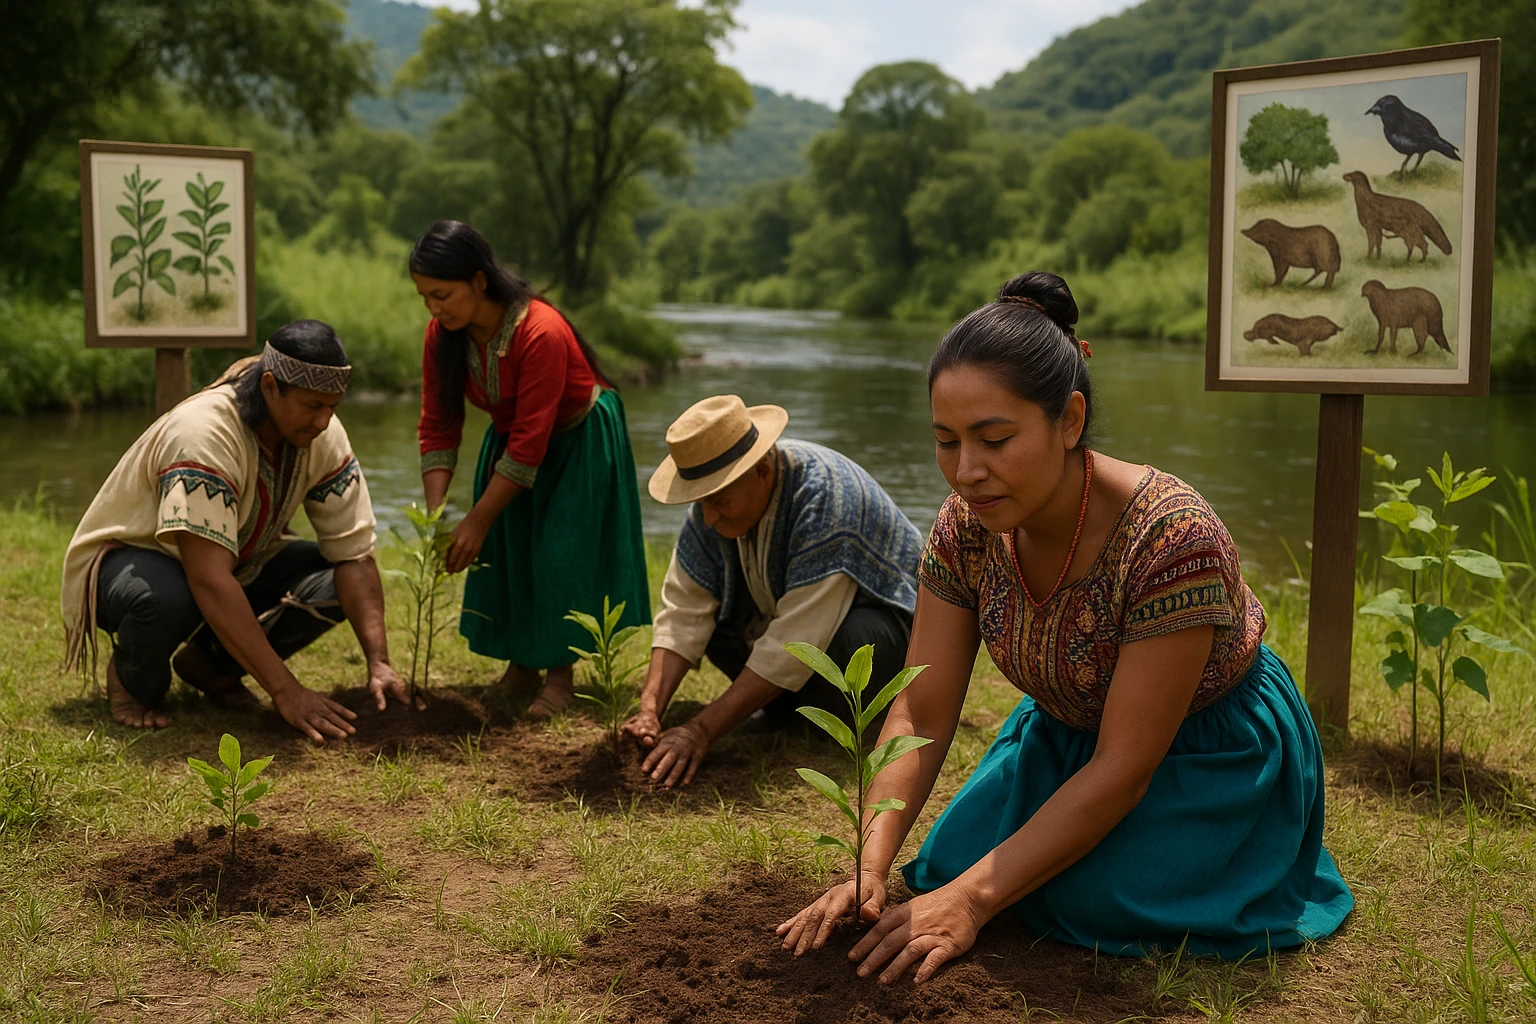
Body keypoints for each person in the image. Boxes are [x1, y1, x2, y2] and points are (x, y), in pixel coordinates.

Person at [777, 273, 1353, 982]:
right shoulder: (968, 526)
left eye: (994, 439)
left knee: (1091, 900)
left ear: (1070, 420)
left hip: (1204, 752)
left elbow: (1124, 766)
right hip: (1066, 736)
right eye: (947, 441)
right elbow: (921, 708)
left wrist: (970, 903)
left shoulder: (1172, 538)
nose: (967, 471)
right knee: (948, 862)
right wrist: (871, 861)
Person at [61, 321, 410, 742]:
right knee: (170, 598)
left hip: (232, 562)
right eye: (313, 405)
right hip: (128, 565)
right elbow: (208, 578)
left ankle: (212, 668)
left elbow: (354, 554)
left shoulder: (321, 432)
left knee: (334, 577)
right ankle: (132, 682)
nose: (323, 421)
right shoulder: (203, 434)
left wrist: (379, 663)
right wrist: (286, 691)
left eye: (333, 407)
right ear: (269, 387)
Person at [410, 220, 651, 717]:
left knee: (559, 551)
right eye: (425, 297)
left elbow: (530, 444)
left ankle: (560, 676)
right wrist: (438, 518)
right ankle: (520, 666)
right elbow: (438, 423)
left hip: (577, 435)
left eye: (443, 294)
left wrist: (475, 520)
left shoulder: (541, 330)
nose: (434, 308)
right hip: (513, 436)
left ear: (479, 281)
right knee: (508, 548)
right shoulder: (443, 335)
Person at [623, 395, 924, 787]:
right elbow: (683, 611)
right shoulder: (708, 511)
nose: (708, 517)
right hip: (798, 638)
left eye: (719, 501)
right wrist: (650, 708)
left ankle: (847, 714)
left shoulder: (828, 499)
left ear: (763, 471)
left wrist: (700, 729)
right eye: (701, 503)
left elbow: (796, 638)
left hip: (886, 638)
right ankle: (788, 707)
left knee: (857, 642)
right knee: (715, 625)